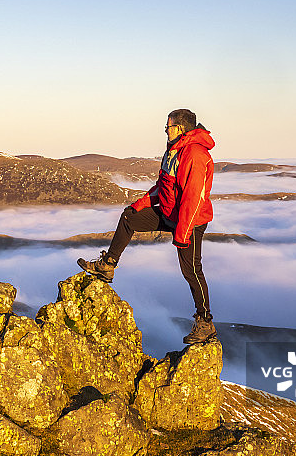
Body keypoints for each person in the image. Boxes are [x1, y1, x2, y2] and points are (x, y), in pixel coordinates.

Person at [77, 108, 216, 344]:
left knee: (192, 270)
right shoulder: (174, 150)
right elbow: (163, 185)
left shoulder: (195, 154)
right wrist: (140, 204)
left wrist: (182, 233)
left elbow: (193, 198)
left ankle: (205, 322)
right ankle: (107, 265)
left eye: (168, 126)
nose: (165, 130)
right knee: (129, 218)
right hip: (171, 213)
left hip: (190, 222)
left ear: (180, 128)